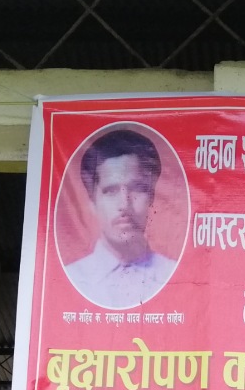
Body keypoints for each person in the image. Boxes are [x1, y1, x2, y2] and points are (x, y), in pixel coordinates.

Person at [61, 125, 178, 308]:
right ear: (92, 201)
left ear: (152, 197)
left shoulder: (176, 276)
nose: (124, 204)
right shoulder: (69, 279)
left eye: (137, 189)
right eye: (111, 191)